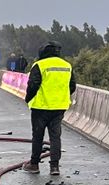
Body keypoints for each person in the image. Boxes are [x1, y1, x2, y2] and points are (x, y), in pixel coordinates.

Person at [23, 42, 75, 176]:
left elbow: (33, 85)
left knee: (38, 136)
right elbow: (72, 86)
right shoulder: (67, 65)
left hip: (40, 107)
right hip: (59, 107)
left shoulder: (40, 65)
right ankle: (54, 167)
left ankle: (34, 164)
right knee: (55, 137)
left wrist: (28, 98)